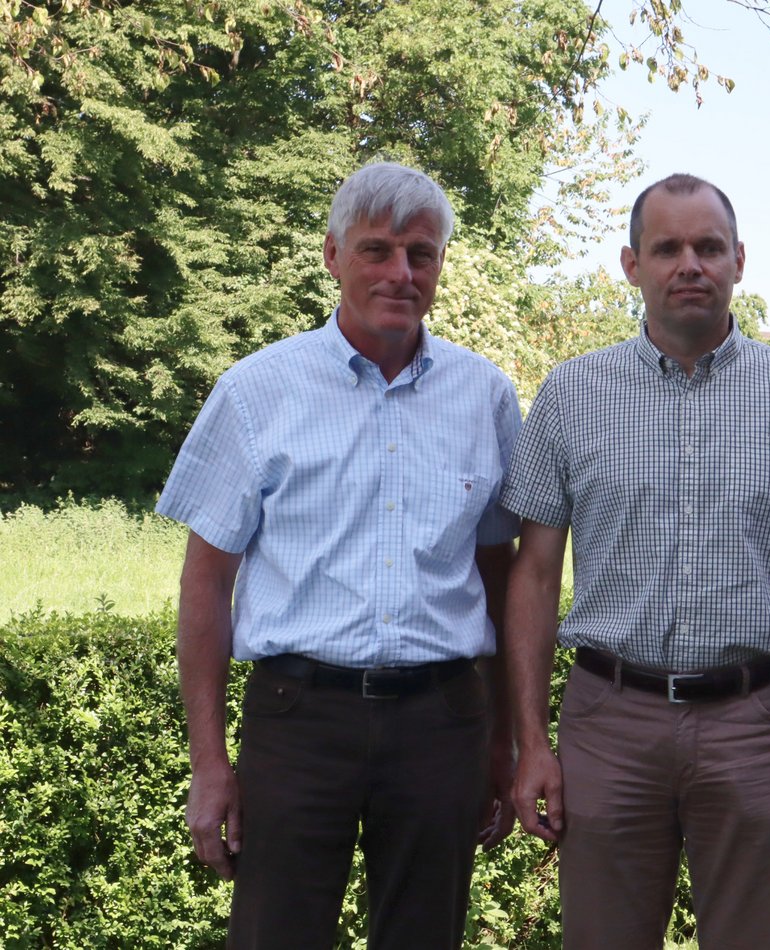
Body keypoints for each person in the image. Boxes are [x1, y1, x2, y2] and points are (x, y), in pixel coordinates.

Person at [501, 173, 770, 948]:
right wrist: (532, 742)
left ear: (739, 260)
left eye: (708, 247)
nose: (690, 264)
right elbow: (533, 574)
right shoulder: (570, 396)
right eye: (667, 247)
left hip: (759, 723)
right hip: (608, 725)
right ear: (630, 264)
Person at [155, 161, 520, 948]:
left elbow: (499, 577)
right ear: (331, 255)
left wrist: (504, 738)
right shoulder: (257, 392)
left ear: (441, 264)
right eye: (376, 250)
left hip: (442, 721)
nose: (400, 272)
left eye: (420, 254)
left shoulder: (486, 396)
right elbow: (206, 582)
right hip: (299, 720)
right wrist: (210, 763)